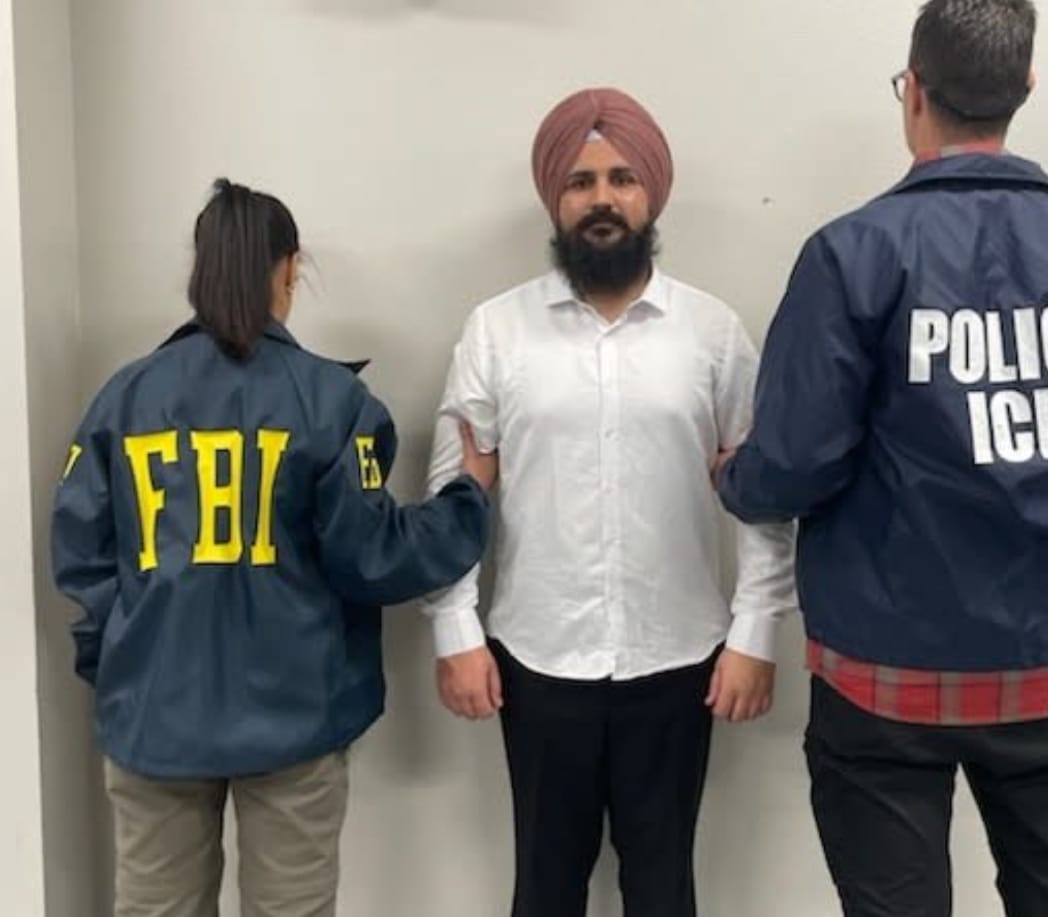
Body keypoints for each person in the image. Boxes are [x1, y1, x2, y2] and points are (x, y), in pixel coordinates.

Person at [716, 3, 1048, 915]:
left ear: (913, 92)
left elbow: (797, 463)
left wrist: (733, 474)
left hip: (885, 671)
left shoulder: (849, 254)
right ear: (1024, 89)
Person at [51, 178, 495, 917]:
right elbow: (373, 556)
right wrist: (467, 499)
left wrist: (121, 657)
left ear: (201, 269)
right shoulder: (330, 402)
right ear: (289, 269)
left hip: (153, 714)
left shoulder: (123, 399)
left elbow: (81, 556)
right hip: (297, 717)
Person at [422, 88, 796, 917]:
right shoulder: (496, 330)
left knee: (663, 891)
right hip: (536, 660)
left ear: (650, 193)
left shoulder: (711, 333)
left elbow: (762, 498)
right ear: (553, 199)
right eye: (580, 181)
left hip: (679, 659)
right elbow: (454, 492)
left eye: (622, 178)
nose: (602, 198)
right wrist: (454, 628)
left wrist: (755, 633)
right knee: (543, 890)